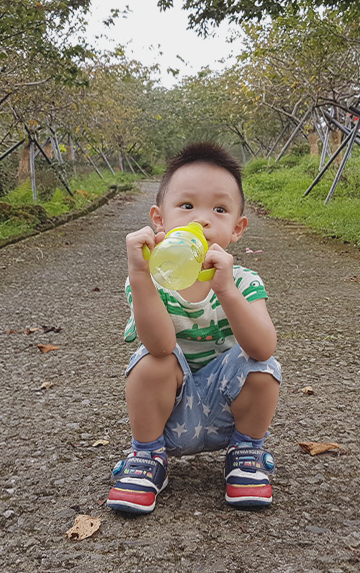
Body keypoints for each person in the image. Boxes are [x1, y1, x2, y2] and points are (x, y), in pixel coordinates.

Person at [107, 142, 281, 515]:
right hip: (169, 416)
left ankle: (246, 452)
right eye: (186, 206)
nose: (201, 220)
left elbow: (265, 347)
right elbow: (159, 344)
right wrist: (140, 275)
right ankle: (148, 457)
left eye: (218, 209)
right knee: (152, 361)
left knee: (261, 368)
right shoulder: (150, 281)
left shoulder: (245, 282)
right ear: (159, 220)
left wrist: (227, 290)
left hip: (228, 413)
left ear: (237, 229)